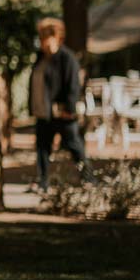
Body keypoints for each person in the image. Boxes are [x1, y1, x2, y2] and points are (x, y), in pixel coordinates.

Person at [28, 18, 93, 191]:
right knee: (42, 147)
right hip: (44, 111)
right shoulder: (40, 58)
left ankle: (89, 179)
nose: (42, 41)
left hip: (62, 111)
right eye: (41, 37)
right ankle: (42, 181)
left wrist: (69, 108)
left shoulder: (67, 58)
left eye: (46, 37)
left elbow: (73, 85)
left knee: (74, 144)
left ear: (56, 37)